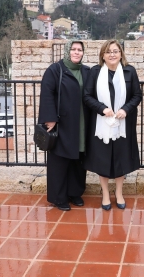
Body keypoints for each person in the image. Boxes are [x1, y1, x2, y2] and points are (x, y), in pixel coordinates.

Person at [83, 40, 143, 210]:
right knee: (102, 160)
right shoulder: (95, 72)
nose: (112, 54)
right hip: (101, 124)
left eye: (115, 51)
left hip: (123, 123)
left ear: (121, 54)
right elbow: (87, 96)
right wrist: (102, 108)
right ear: (103, 55)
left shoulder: (129, 71)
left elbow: (137, 95)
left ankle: (119, 192)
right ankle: (105, 194)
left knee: (121, 159)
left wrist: (126, 109)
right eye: (108, 51)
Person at [38, 40, 90, 211]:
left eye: (79, 50)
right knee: (59, 161)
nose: (76, 52)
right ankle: (59, 197)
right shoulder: (55, 70)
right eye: (73, 49)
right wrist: (50, 118)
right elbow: (47, 94)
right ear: (67, 51)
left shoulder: (86, 71)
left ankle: (75, 193)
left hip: (82, 122)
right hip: (62, 123)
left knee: (78, 159)